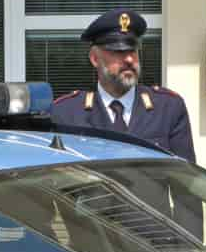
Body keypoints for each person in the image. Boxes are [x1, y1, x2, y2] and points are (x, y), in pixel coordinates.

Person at [50, 8, 196, 163]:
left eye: (132, 51)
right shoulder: (67, 113)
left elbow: (186, 177)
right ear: (94, 59)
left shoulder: (168, 108)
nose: (129, 60)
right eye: (118, 51)